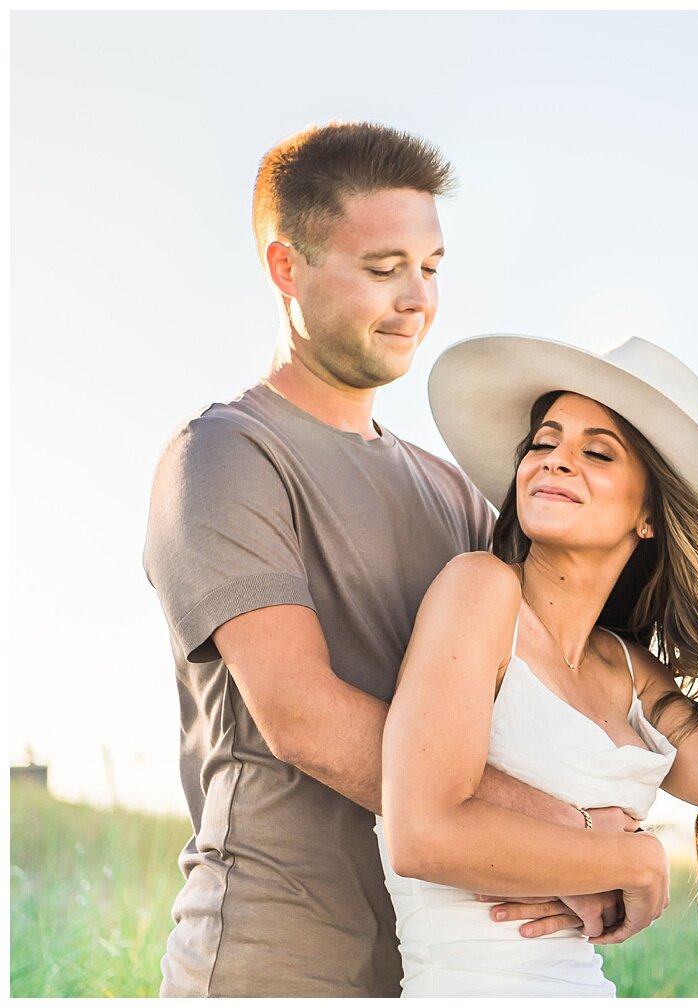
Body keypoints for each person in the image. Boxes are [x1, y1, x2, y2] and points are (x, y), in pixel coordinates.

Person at [142, 122, 668, 998]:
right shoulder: (229, 455)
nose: (417, 297)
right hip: (276, 960)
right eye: (384, 269)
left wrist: (680, 469)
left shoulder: (455, 494)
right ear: (287, 269)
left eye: (431, 268)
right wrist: (573, 839)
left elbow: (574, 669)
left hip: (441, 969)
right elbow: (303, 716)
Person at [376, 334, 698, 996]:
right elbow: (422, 833)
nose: (557, 461)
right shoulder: (481, 590)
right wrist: (633, 855)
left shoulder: (629, 670)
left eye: (597, 453)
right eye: (543, 443)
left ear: (652, 512)